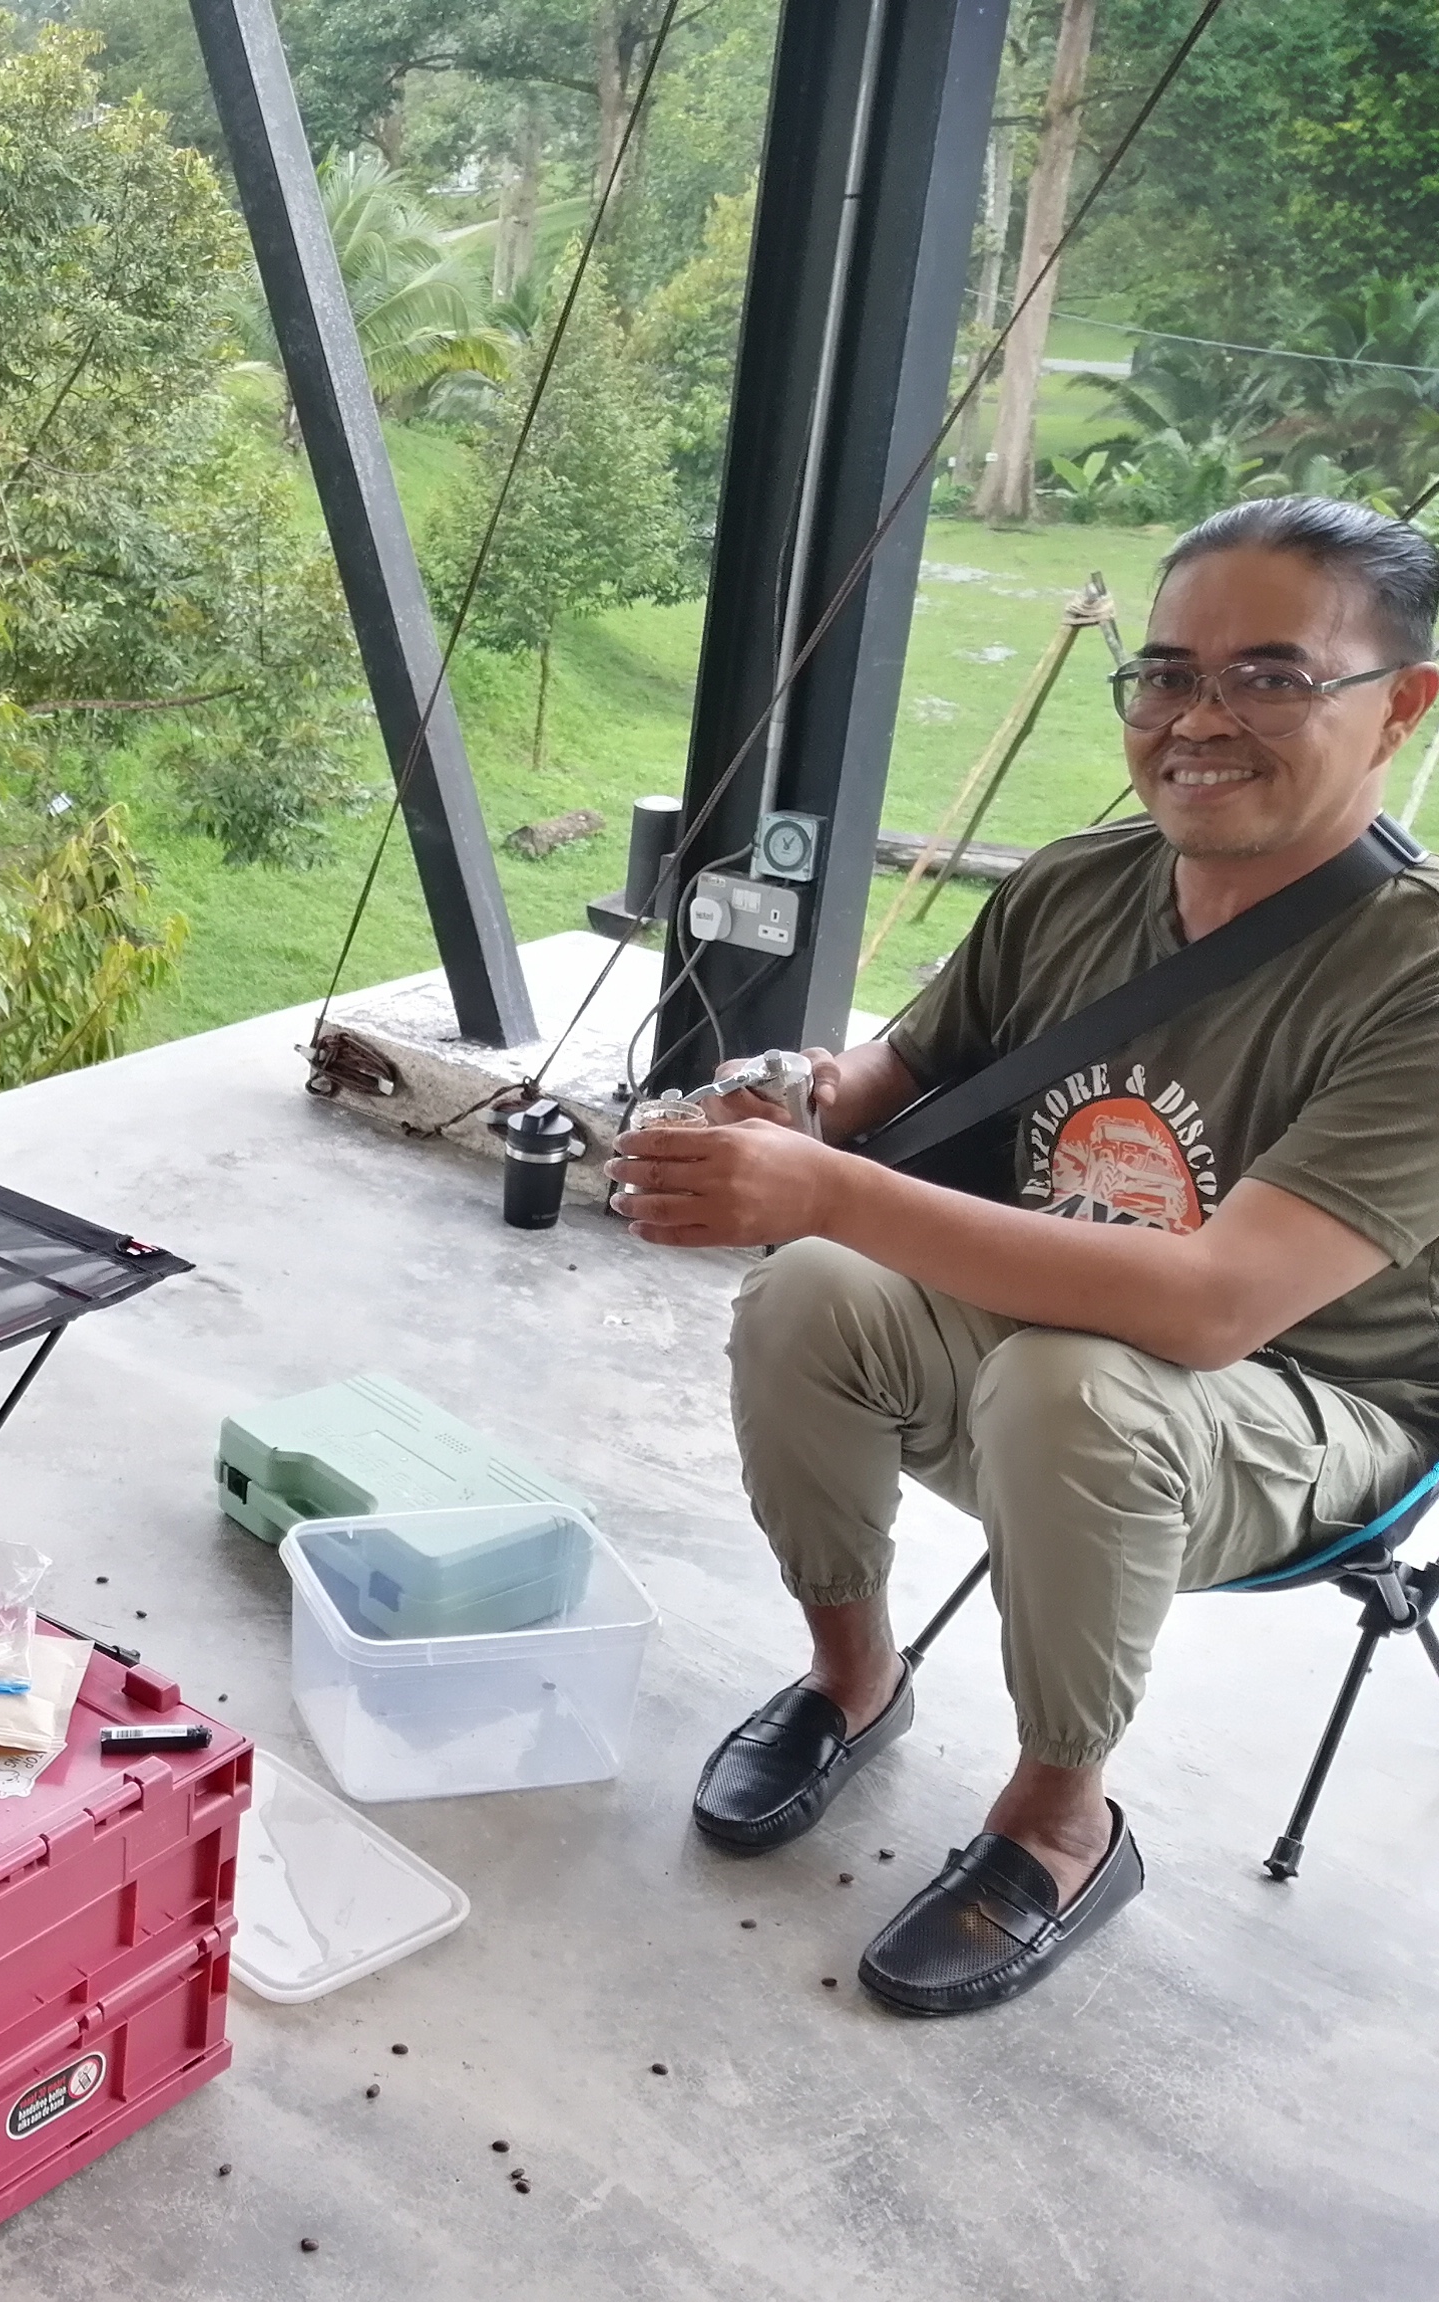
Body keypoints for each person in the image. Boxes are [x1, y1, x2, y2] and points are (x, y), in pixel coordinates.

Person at [614, 496, 1439, 2015]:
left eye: (1271, 676)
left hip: (1307, 1408)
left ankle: (1064, 1821)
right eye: (1168, 672)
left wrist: (823, 1187)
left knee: (1072, 1387)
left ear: (1401, 706)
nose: (1199, 718)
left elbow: (1216, 1309)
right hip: (1052, 1350)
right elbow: (901, 1077)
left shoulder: (1419, 971)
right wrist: (798, 1103)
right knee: (811, 1289)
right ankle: (852, 1677)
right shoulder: (1076, 884)